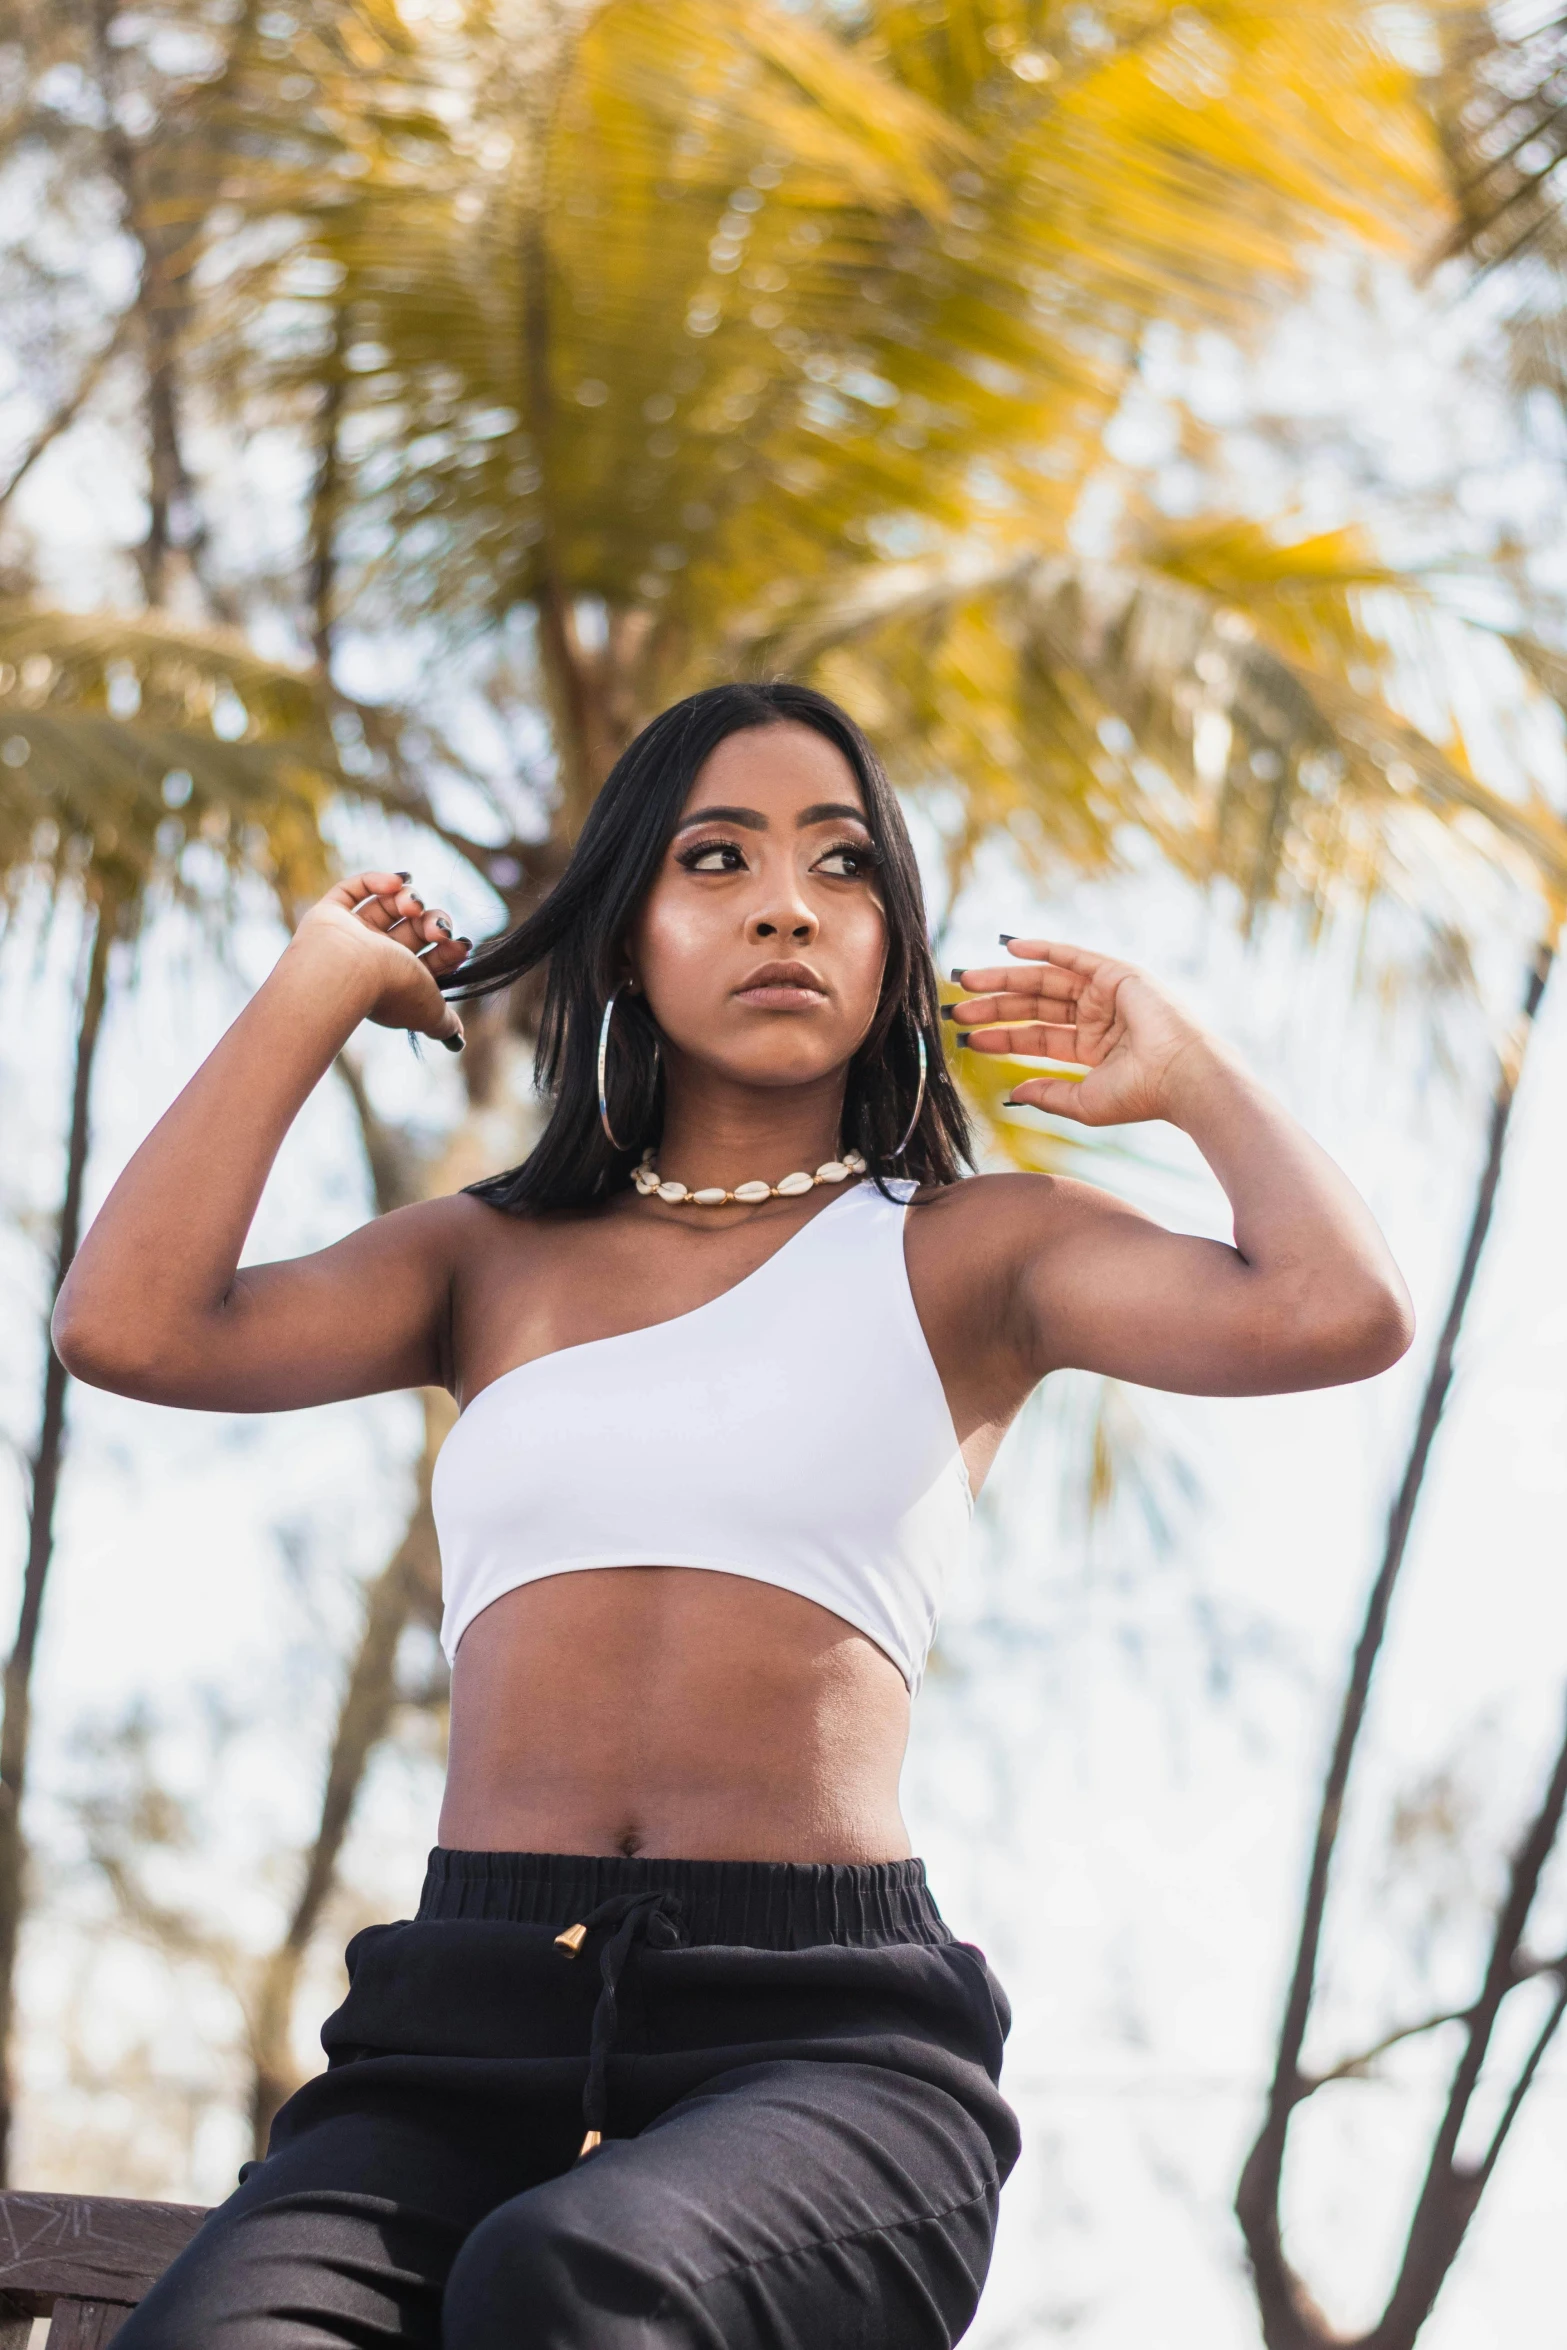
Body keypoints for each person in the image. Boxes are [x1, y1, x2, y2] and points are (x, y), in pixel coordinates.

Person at [54, 680, 1413, 2348]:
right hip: (457, 2030)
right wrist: (314, 982)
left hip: (824, 2048)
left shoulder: (973, 1251)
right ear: (625, 936)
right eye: (717, 857)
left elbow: (1337, 1309)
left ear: (891, 948)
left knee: (566, 2274)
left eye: (842, 866)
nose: (786, 901)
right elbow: (129, 1325)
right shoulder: (482, 1259)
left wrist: (1190, 1070)